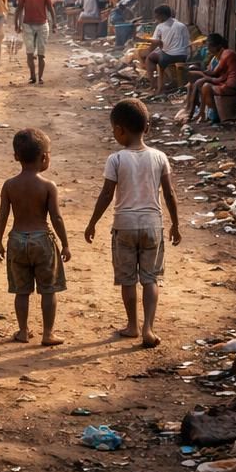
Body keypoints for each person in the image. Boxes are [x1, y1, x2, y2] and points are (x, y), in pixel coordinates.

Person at [83, 100, 180, 349]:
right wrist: (175, 225)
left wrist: (92, 222)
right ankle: (148, 327)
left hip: (124, 226)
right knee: (150, 279)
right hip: (152, 225)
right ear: (146, 127)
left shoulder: (116, 159)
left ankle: (132, 325)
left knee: (128, 280)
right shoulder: (160, 157)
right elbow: (169, 194)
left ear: (119, 130)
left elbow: (106, 195)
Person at [0, 129, 71, 347]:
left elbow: (2, 216)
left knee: (21, 291)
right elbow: (56, 217)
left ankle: (23, 330)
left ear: (16, 156)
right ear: (44, 157)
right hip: (42, 240)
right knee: (49, 290)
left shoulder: (9, 185)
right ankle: (48, 333)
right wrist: (65, 244)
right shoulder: (48, 186)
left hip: (17, 239)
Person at [179, 33, 236, 126]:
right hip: (224, 81)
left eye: (209, 46)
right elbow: (215, 74)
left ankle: (198, 113)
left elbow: (215, 74)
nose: (208, 49)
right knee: (195, 83)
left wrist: (201, 74)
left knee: (204, 85)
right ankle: (193, 112)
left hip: (230, 86)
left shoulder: (226, 54)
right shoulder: (219, 56)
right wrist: (199, 71)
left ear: (218, 46)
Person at [14, 0, 57, 85]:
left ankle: (40, 77)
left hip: (42, 24)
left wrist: (54, 23)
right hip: (28, 24)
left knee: (41, 54)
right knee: (29, 52)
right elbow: (19, 9)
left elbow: (50, 7)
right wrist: (16, 24)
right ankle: (32, 75)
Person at [144, 5, 191, 99]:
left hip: (169, 56)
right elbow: (187, 42)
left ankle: (155, 86)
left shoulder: (160, 27)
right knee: (161, 54)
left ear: (162, 15)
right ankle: (167, 83)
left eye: (156, 15)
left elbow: (156, 42)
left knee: (150, 58)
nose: (155, 17)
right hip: (184, 55)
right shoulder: (182, 25)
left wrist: (148, 48)